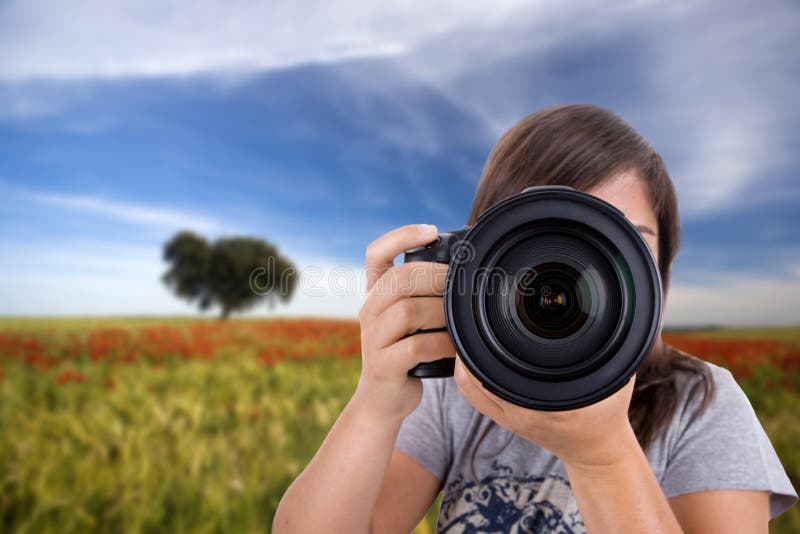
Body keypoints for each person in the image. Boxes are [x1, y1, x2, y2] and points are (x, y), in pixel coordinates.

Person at [273, 104, 798, 533]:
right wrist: (376, 402)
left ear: (660, 268)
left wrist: (603, 456)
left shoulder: (703, 402)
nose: (582, 277)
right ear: (476, 260)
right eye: (552, 246)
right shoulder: (454, 390)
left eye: (622, 245)